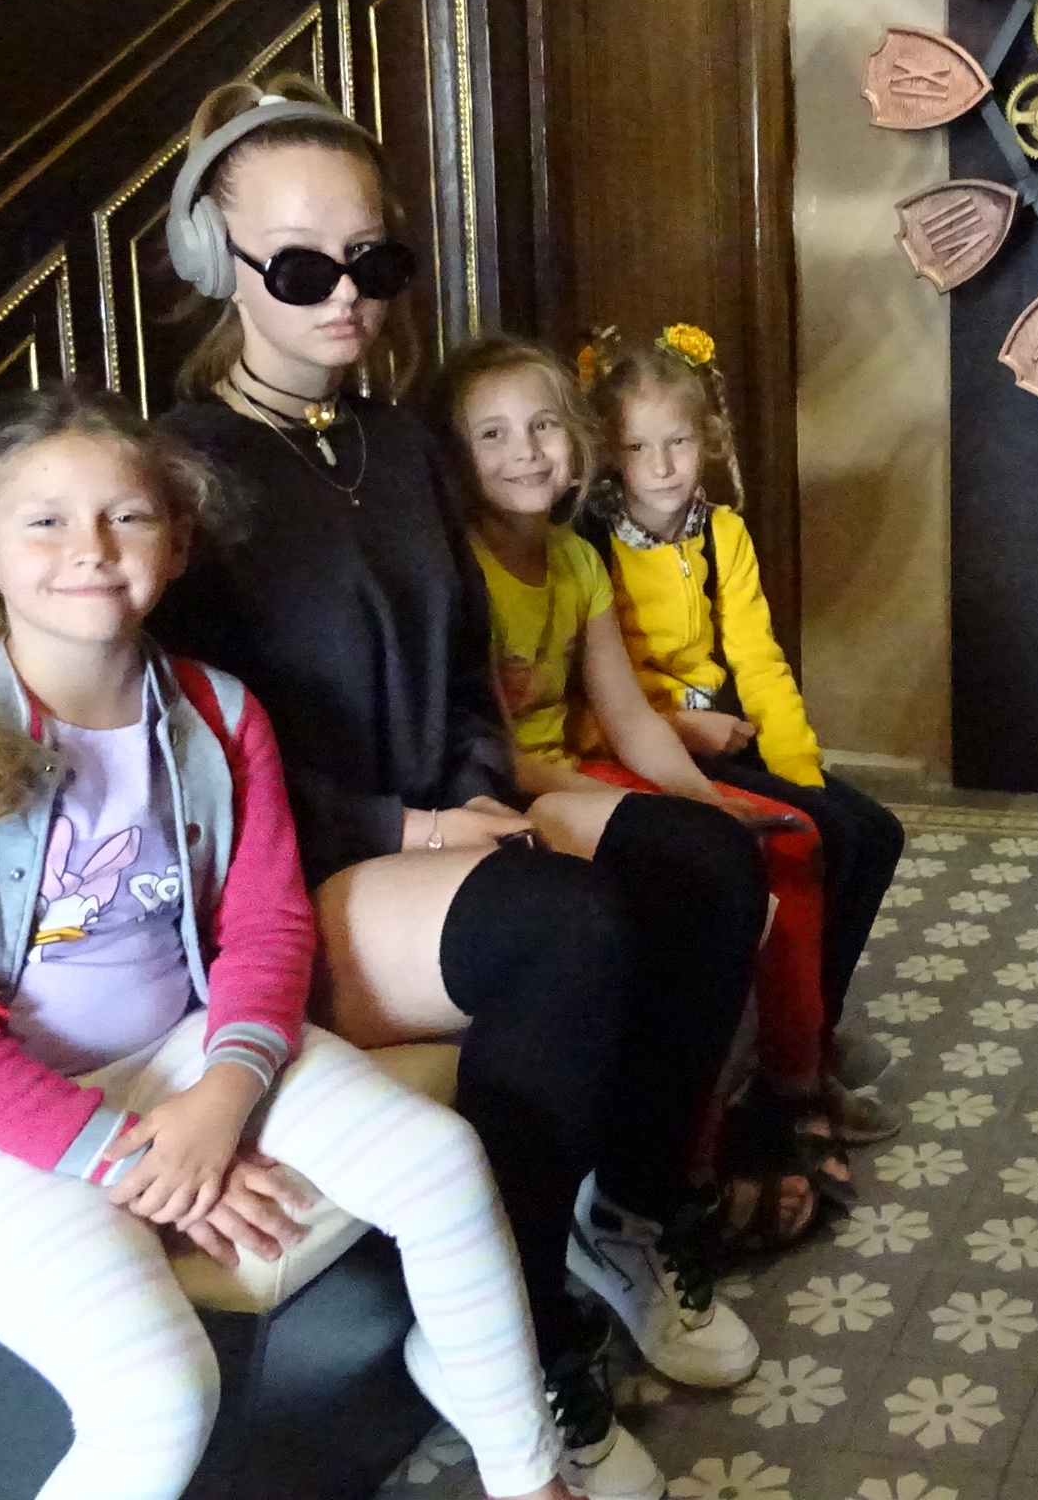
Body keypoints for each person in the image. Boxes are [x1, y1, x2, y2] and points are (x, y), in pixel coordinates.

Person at [0, 387, 619, 1500]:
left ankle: (530, 1478)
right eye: (45, 521)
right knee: (156, 1400)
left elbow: (267, 925)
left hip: (174, 1042)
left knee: (440, 1164)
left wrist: (223, 1098)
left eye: (128, 516)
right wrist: (135, 1159)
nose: (91, 548)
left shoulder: (221, 714)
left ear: (178, 543)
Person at [143, 77, 763, 1445]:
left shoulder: (400, 446)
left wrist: (477, 788)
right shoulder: (182, 470)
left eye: (373, 263)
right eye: (300, 267)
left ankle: (626, 1217)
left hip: (436, 821)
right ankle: (517, 1334)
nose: (345, 296)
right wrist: (410, 826)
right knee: (565, 926)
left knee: (708, 862)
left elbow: (468, 666)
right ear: (216, 263)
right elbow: (188, 747)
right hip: (290, 862)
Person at [434, 332, 856, 1247]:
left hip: (579, 771)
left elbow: (630, 719)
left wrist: (708, 799)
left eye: (544, 426)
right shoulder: (463, 568)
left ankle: (778, 1093)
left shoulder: (575, 561)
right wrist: (678, 814)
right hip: (515, 788)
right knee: (704, 874)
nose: (526, 451)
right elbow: (500, 755)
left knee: (772, 837)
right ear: (457, 456)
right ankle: (678, 1175)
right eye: (493, 434)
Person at [586, 325, 905, 1138]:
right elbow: (596, 695)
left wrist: (799, 766)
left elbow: (758, 659)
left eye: (679, 442)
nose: (662, 465)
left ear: (708, 439)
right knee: (810, 836)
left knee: (872, 832)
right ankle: (793, 1071)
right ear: (611, 454)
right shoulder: (592, 546)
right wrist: (684, 728)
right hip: (649, 743)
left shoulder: (720, 531)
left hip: (726, 728)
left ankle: (812, 1032)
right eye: (638, 447)